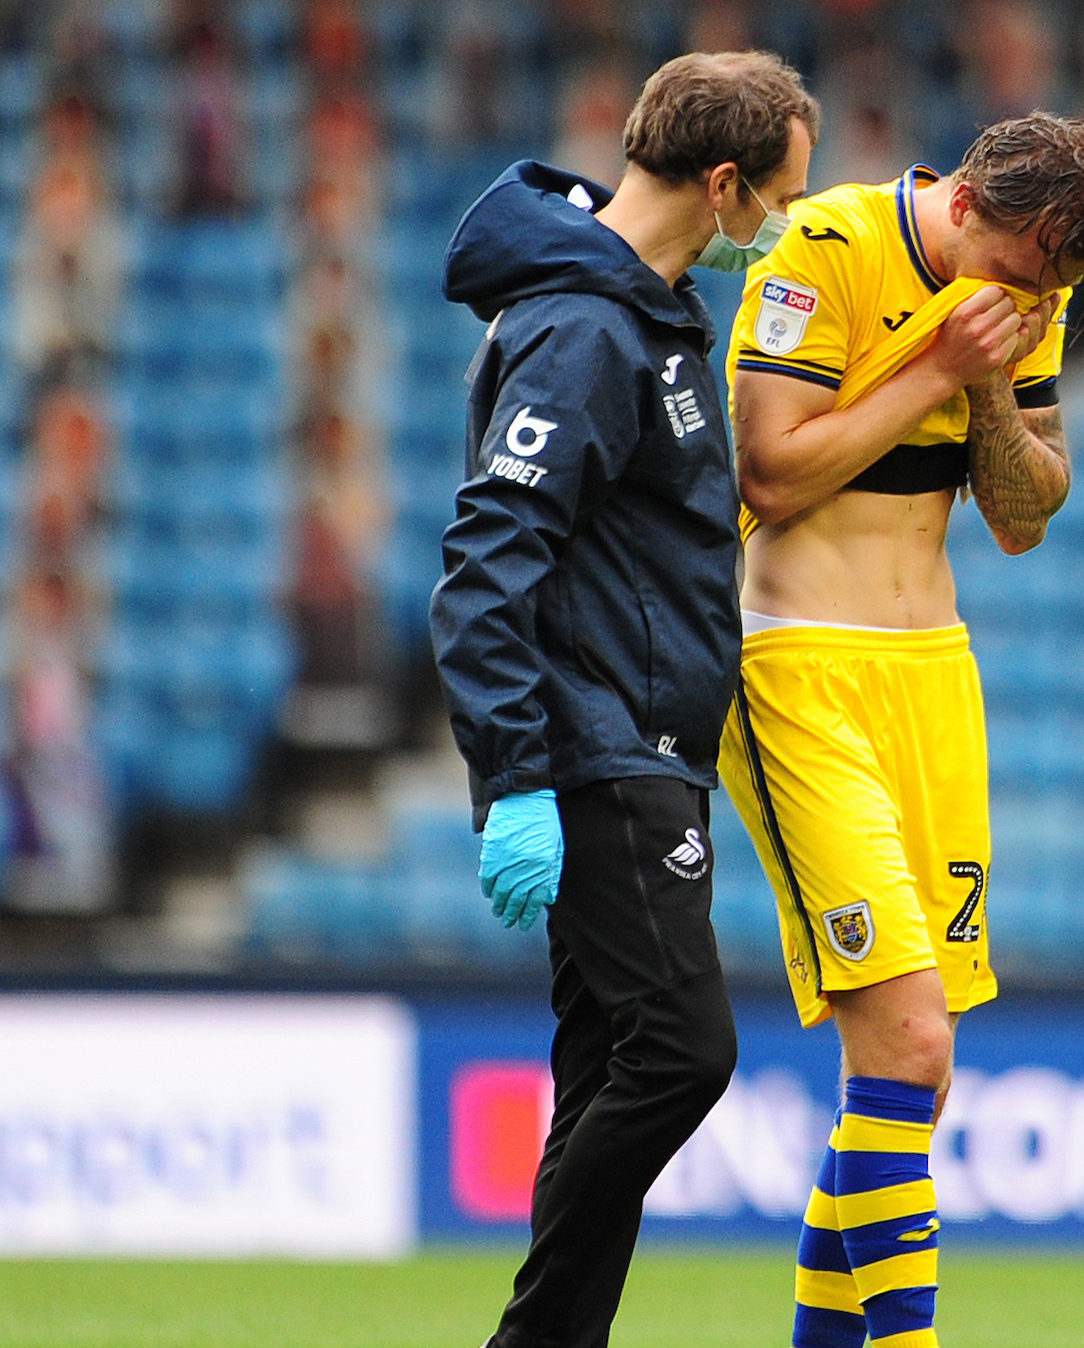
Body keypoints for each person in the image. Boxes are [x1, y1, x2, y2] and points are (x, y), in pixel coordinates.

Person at [719, 111, 1084, 1348]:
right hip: (800, 666)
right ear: (968, 199)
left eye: (1051, 290)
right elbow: (770, 475)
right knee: (910, 1041)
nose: (1030, 299)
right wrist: (936, 369)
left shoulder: (1022, 293)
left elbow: (1022, 513)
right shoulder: (824, 246)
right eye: (1024, 274)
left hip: (934, 677)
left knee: (902, 1071)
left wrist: (994, 384)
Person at [429, 51, 817, 1348]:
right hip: (602, 757)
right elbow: (488, 562)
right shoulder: (586, 329)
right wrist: (515, 780)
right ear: (722, 184)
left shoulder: (636, 315)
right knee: (682, 1054)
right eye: (773, 201)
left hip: (640, 745)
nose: (774, 231)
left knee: (607, 1070)